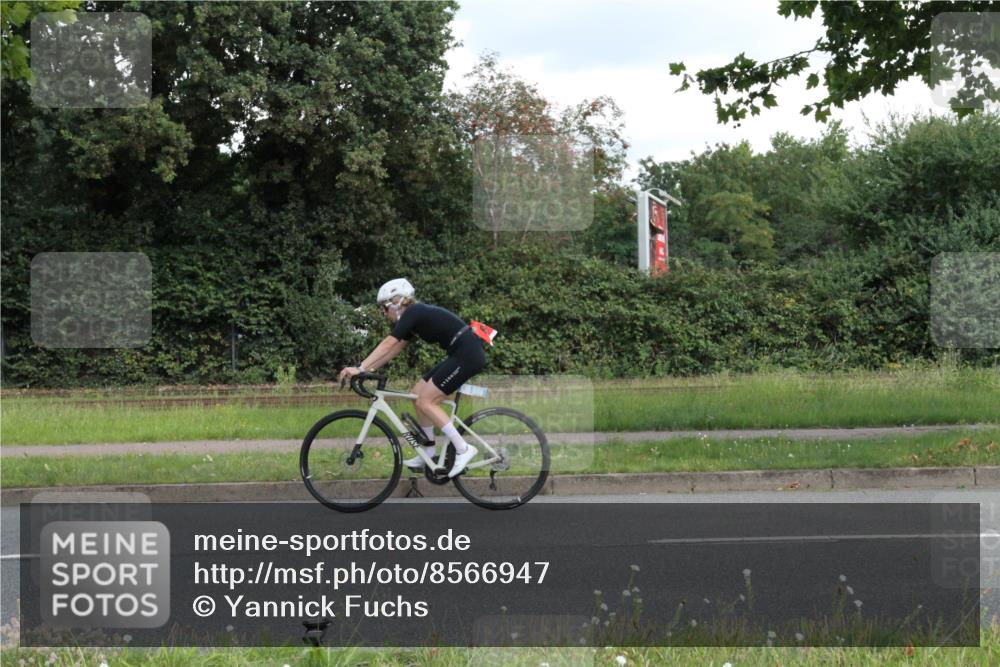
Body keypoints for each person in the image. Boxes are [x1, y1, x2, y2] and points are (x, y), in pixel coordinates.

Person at [338, 278, 486, 478]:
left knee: (426, 401)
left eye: (384, 308)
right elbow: (392, 351)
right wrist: (366, 369)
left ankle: (463, 448)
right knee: (417, 395)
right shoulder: (413, 319)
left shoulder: (413, 312)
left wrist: (360, 367)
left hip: (467, 355)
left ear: (396, 303)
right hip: (460, 353)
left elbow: (388, 343)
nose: (384, 313)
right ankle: (429, 453)